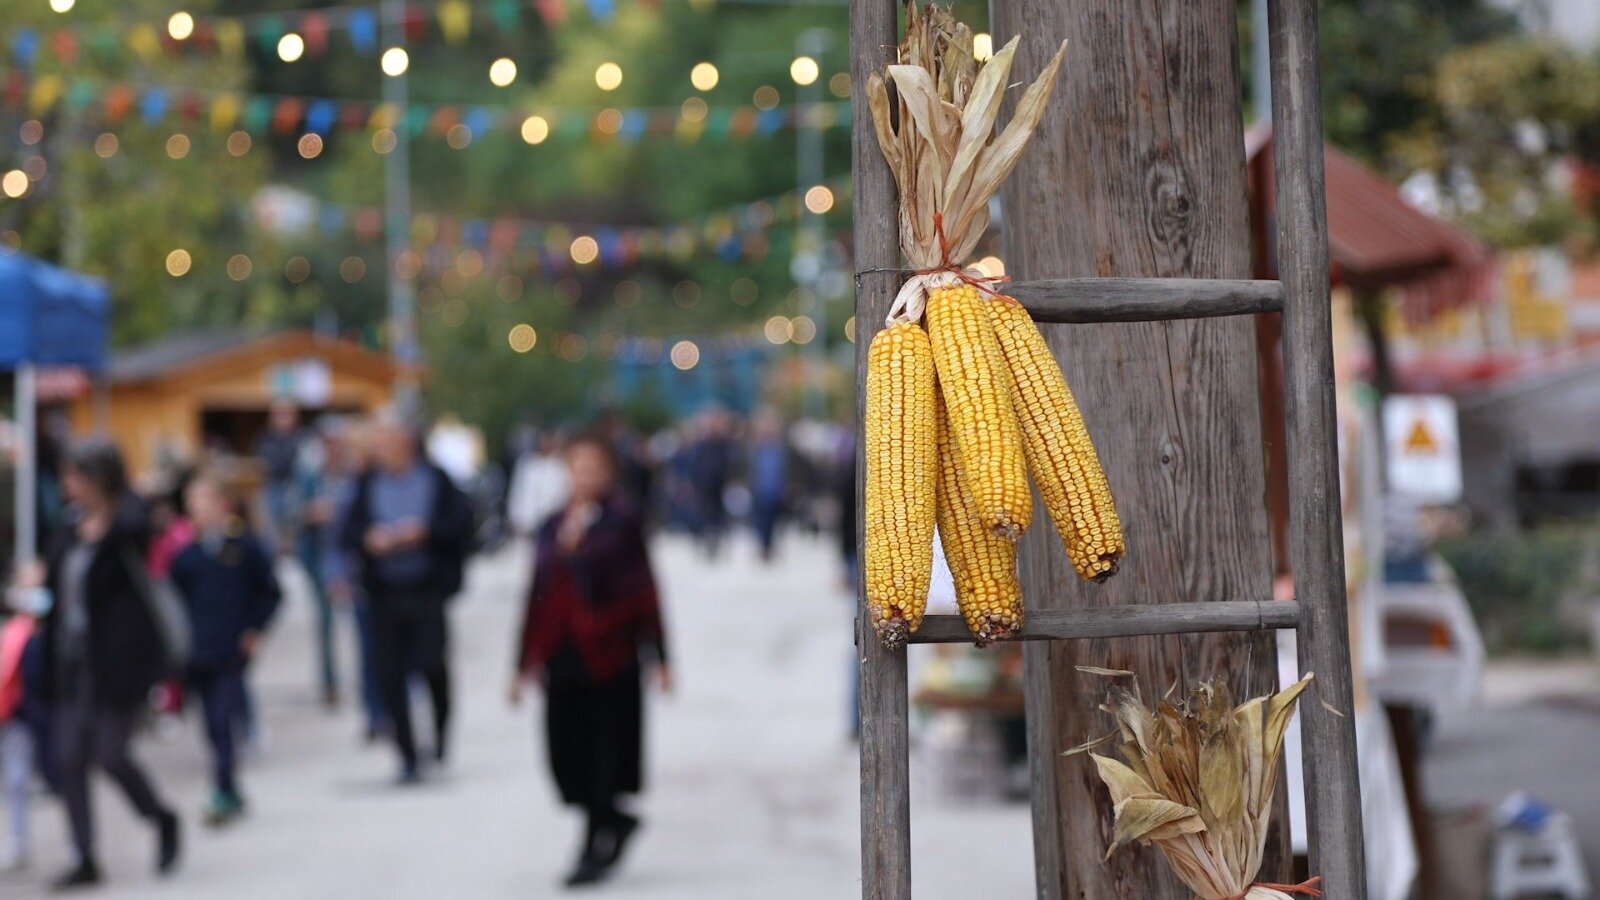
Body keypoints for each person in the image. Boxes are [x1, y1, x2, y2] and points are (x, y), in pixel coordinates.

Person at [511, 434, 671, 888]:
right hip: (560, 656)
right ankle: (615, 821)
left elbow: (644, 590)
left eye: (594, 467)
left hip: (611, 655)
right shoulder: (549, 526)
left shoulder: (622, 523)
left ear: (608, 473)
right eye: (577, 467)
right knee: (567, 757)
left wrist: (661, 655)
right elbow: (534, 597)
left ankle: (593, 844)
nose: (585, 476)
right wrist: (519, 664)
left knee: (604, 756)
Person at [30, 438, 180, 888]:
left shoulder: (128, 523)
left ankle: (160, 816)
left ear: (98, 478)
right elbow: (54, 585)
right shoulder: (68, 527)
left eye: (76, 476)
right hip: (70, 659)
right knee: (69, 758)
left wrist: (117, 501)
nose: (68, 486)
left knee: (112, 754)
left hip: (117, 662)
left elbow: (140, 523)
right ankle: (84, 855)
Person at [340, 413, 473, 784]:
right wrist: (370, 540)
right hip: (384, 592)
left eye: (387, 441)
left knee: (433, 666)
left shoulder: (435, 479)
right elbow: (348, 530)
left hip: (426, 589)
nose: (381, 449)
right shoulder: (367, 483)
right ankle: (407, 753)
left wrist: (425, 534)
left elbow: (462, 523)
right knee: (390, 675)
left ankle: (440, 739)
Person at [168, 473, 281, 826]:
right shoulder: (186, 557)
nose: (195, 509)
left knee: (222, 718)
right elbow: (173, 606)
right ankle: (228, 786)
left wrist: (255, 629)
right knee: (210, 725)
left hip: (231, 650)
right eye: (191, 503)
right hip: (197, 652)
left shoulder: (243, 548)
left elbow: (270, 592)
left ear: (222, 505)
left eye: (201, 501)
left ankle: (224, 787)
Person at [320, 420, 387, 742]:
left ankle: (386, 710)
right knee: (370, 651)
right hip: (363, 577)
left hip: (389, 577)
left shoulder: (383, 482)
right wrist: (336, 575)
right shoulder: (351, 487)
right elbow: (336, 539)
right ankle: (377, 712)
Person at [0, 584, 45, 873]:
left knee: (16, 782)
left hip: (17, 718)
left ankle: (20, 844)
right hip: (13, 717)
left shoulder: (22, 633)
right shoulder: (16, 631)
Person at [507, 430, 570, 538]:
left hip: (552, 526)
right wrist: (515, 518)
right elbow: (518, 493)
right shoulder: (528, 464)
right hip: (526, 524)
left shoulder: (562, 465)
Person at [747, 412, 790, 562]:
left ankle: (770, 546)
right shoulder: (754, 449)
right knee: (761, 521)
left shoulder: (782, 449)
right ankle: (764, 547)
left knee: (775, 521)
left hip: (777, 492)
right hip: (760, 492)